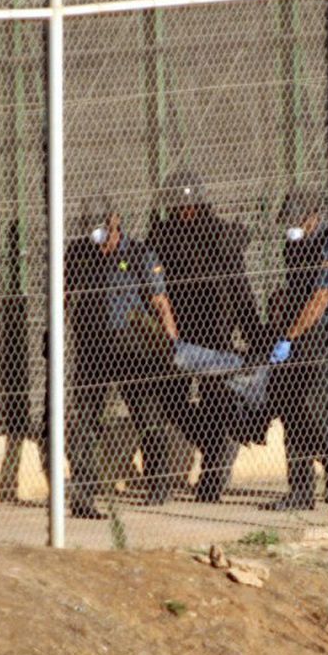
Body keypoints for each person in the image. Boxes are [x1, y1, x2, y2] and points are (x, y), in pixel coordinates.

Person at [148, 172, 266, 503]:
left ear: (200, 204)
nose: (183, 212)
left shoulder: (220, 235)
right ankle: (212, 444)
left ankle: (212, 479)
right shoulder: (162, 237)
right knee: (170, 401)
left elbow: (240, 290)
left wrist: (254, 336)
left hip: (215, 332)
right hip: (178, 332)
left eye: (188, 205)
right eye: (177, 206)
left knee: (217, 404)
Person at [62, 196, 182, 519]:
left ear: (114, 223)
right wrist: (53, 331)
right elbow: (64, 294)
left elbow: (160, 302)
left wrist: (172, 343)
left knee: (147, 415)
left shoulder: (140, 254)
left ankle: (159, 483)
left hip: (133, 350)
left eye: (102, 230)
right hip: (92, 348)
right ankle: (83, 494)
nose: (97, 238)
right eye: (91, 230)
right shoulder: (77, 253)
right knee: (84, 421)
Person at [262, 189, 328, 511]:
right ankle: (301, 489)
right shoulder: (293, 243)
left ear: (312, 217)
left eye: (296, 220)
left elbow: (321, 298)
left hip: (322, 336)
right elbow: (294, 289)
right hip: (296, 333)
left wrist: (289, 336)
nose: (291, 227)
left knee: (312, 410)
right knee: (292, 410)